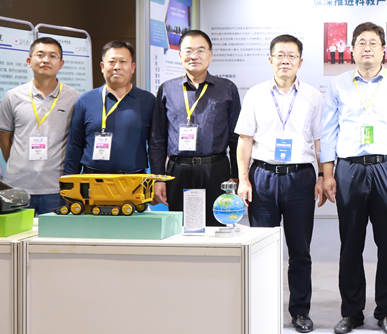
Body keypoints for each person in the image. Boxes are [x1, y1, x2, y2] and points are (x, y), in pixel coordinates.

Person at [320, 22, 387, 334]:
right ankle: (351, 312)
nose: (367, 48)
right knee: (350, 243)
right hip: (349, 169)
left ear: (384, 50)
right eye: (361, 42)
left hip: (386, 168)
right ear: (351, 49)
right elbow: (328, 130)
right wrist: (327, 173)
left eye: (373, 43)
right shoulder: (337, 84)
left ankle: (386, 312)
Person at [235, 34, 323, 334]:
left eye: (291, 56)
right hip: (263, 177)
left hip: (300, 177)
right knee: (261, 247)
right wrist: (243, 179)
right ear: (270, 59)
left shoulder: (313, 96)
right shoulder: (256, 94)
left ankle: (300, 311)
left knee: (300, 250)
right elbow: (245, 140)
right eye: (280, 55)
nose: (285, 60)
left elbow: (319, 140)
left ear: (301, 61)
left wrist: (322, 176)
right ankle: (262, 310)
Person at [150, 30, 241, 227]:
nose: (194, 56)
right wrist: (158, 178)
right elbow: (157, 138)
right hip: (178, 170)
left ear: (210, 54)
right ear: (180, 55)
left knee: (217, 227)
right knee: (181, 228)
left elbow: (235, 137)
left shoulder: (227, 88)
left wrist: (236, 175)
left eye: (200, 50)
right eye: (189, 51)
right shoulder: (167, 89)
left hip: (216, 169)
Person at [0, 38, 79, 214]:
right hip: (17, 187)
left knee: (53, 233)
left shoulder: (74, 99)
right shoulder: (12, 97)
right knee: (17, 231)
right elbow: (4, 140)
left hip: (56, 188)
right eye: (40, 55)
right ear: (29, 61)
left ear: (61, 63)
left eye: (52, 56)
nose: (46, 60)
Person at [64, 41, 155, 175]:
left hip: (134, 179)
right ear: (102, 66)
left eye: (123, 62)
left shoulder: (148, 100)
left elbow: (155, 145)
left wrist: (158, 178)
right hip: (92, 178)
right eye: (112, 62)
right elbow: (74, 145)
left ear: (132, 67)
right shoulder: (85, 100)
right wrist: (69, 180)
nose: (117, 67)